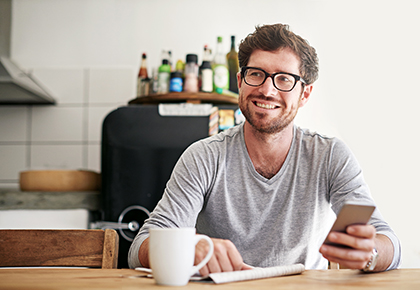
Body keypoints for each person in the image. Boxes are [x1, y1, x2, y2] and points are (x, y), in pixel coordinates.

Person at [128, 23, 401, 274]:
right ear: (240, 82)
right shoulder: (203, 157)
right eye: (256, 74)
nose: (267, 90)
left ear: (304, 94)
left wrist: (370, 253)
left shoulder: (330, 156)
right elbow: (140, 246)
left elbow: (387, 240)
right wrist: (186, 248)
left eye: (284, 79)